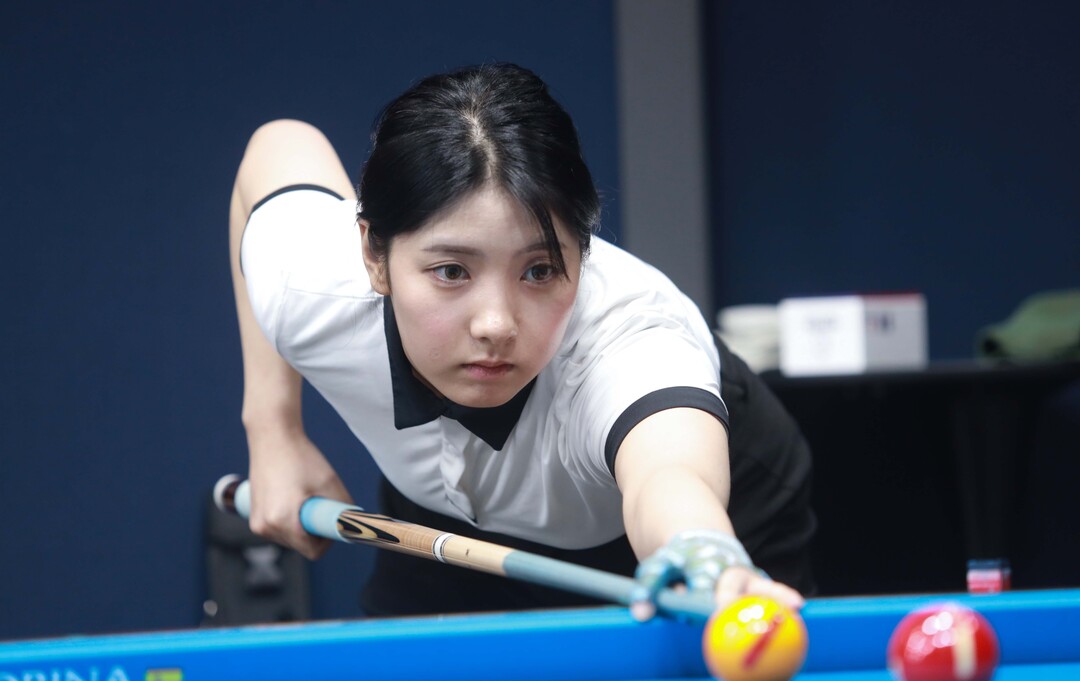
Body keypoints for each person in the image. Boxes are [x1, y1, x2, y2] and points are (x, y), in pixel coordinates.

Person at [228, 62, 815, 620]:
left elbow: (670, 474)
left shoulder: (631, 341)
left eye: (539, 271)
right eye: (451, 271)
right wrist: (273, 429)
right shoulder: (312, 287)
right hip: (438, 515)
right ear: (374, 257)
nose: (496, 324)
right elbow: (278, 146)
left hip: (658, 534)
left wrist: (702, 550)